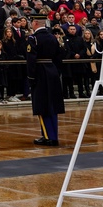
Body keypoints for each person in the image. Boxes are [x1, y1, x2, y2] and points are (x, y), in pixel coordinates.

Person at [26, 15, 65, 146]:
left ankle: (49, 136)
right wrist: (56, 72)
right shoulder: (53, 38)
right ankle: (53, 135)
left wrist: (31, 78)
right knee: (52, 106)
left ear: (35, 23)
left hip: (40, 72)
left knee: (42, 106)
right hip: (52, 71)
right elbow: (59, 57)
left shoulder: (33, 39)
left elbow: (31, 60)